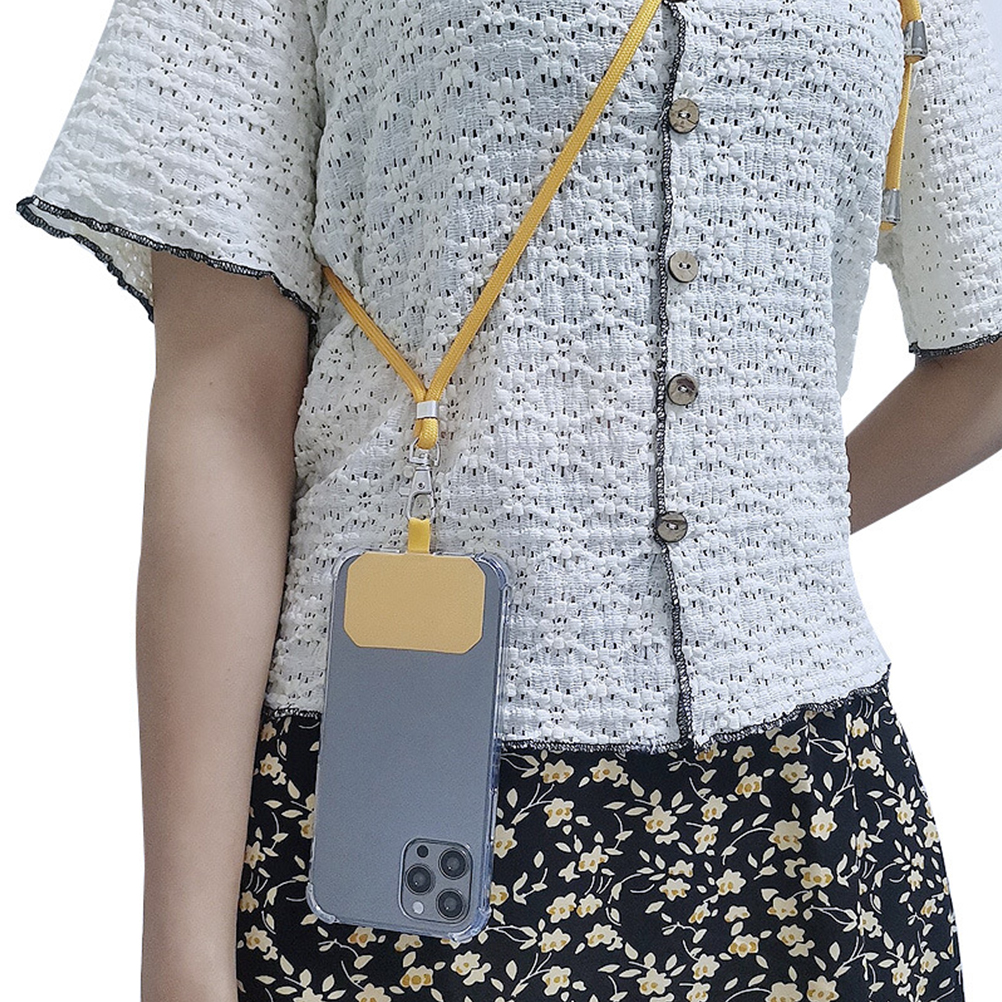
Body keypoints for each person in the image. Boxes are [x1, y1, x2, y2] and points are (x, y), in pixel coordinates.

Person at [15, 0, 1002, 999]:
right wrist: (181, 956)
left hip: (810, 819)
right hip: (393, 800)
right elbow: (224, 399)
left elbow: (989, 350)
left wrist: (772, 526)